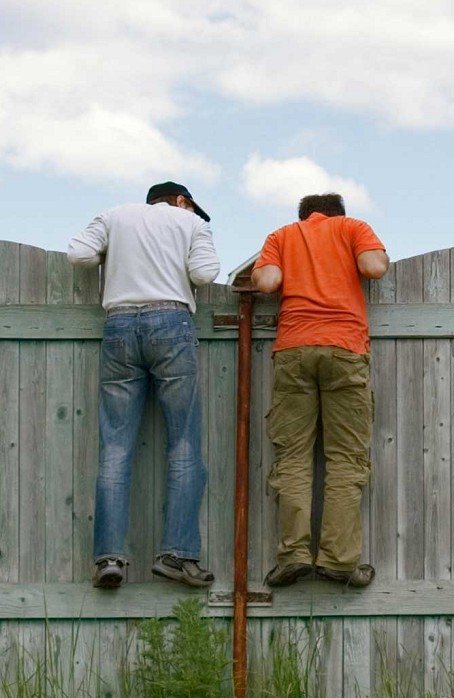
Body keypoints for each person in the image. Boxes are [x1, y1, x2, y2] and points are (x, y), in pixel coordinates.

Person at [68, 181, 219, 589]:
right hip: (171, 322)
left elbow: (79, 254)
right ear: (183, 202)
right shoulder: (190, 223)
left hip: (119, 324)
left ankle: (109, 559)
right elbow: (205, 274)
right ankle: (177, 554)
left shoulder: (114, 215)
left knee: (115, 448)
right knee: (184, 444)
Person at [250, 193, 389, 587]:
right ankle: (339, 561)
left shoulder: (282, 236)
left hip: (293, 349)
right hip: (344, 349)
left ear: (304, 215)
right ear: (337, 214)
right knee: (345, 457)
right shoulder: (353, 228)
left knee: (292, 456)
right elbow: (374, 267)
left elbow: (268, 282)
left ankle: (293, 554)